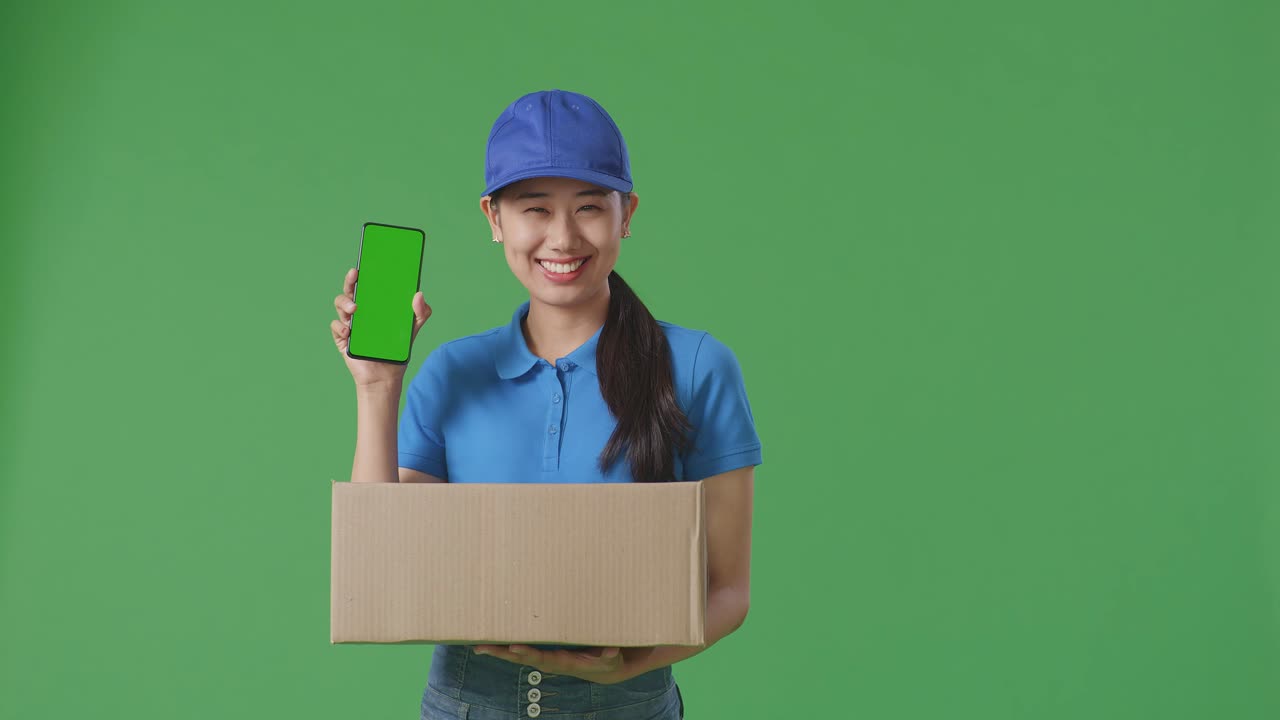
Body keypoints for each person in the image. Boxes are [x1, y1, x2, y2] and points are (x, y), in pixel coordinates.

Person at [330, 89, 762, 720]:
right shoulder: (454, 371)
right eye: (535, 209)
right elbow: (382, 571)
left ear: (627, 213)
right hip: (464, 704)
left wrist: (629, 665)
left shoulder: (696, 367)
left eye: (590, 208)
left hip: (627, 707)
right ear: (494, 217)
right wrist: (376, 387)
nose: (562, 238)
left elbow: (727, 590)